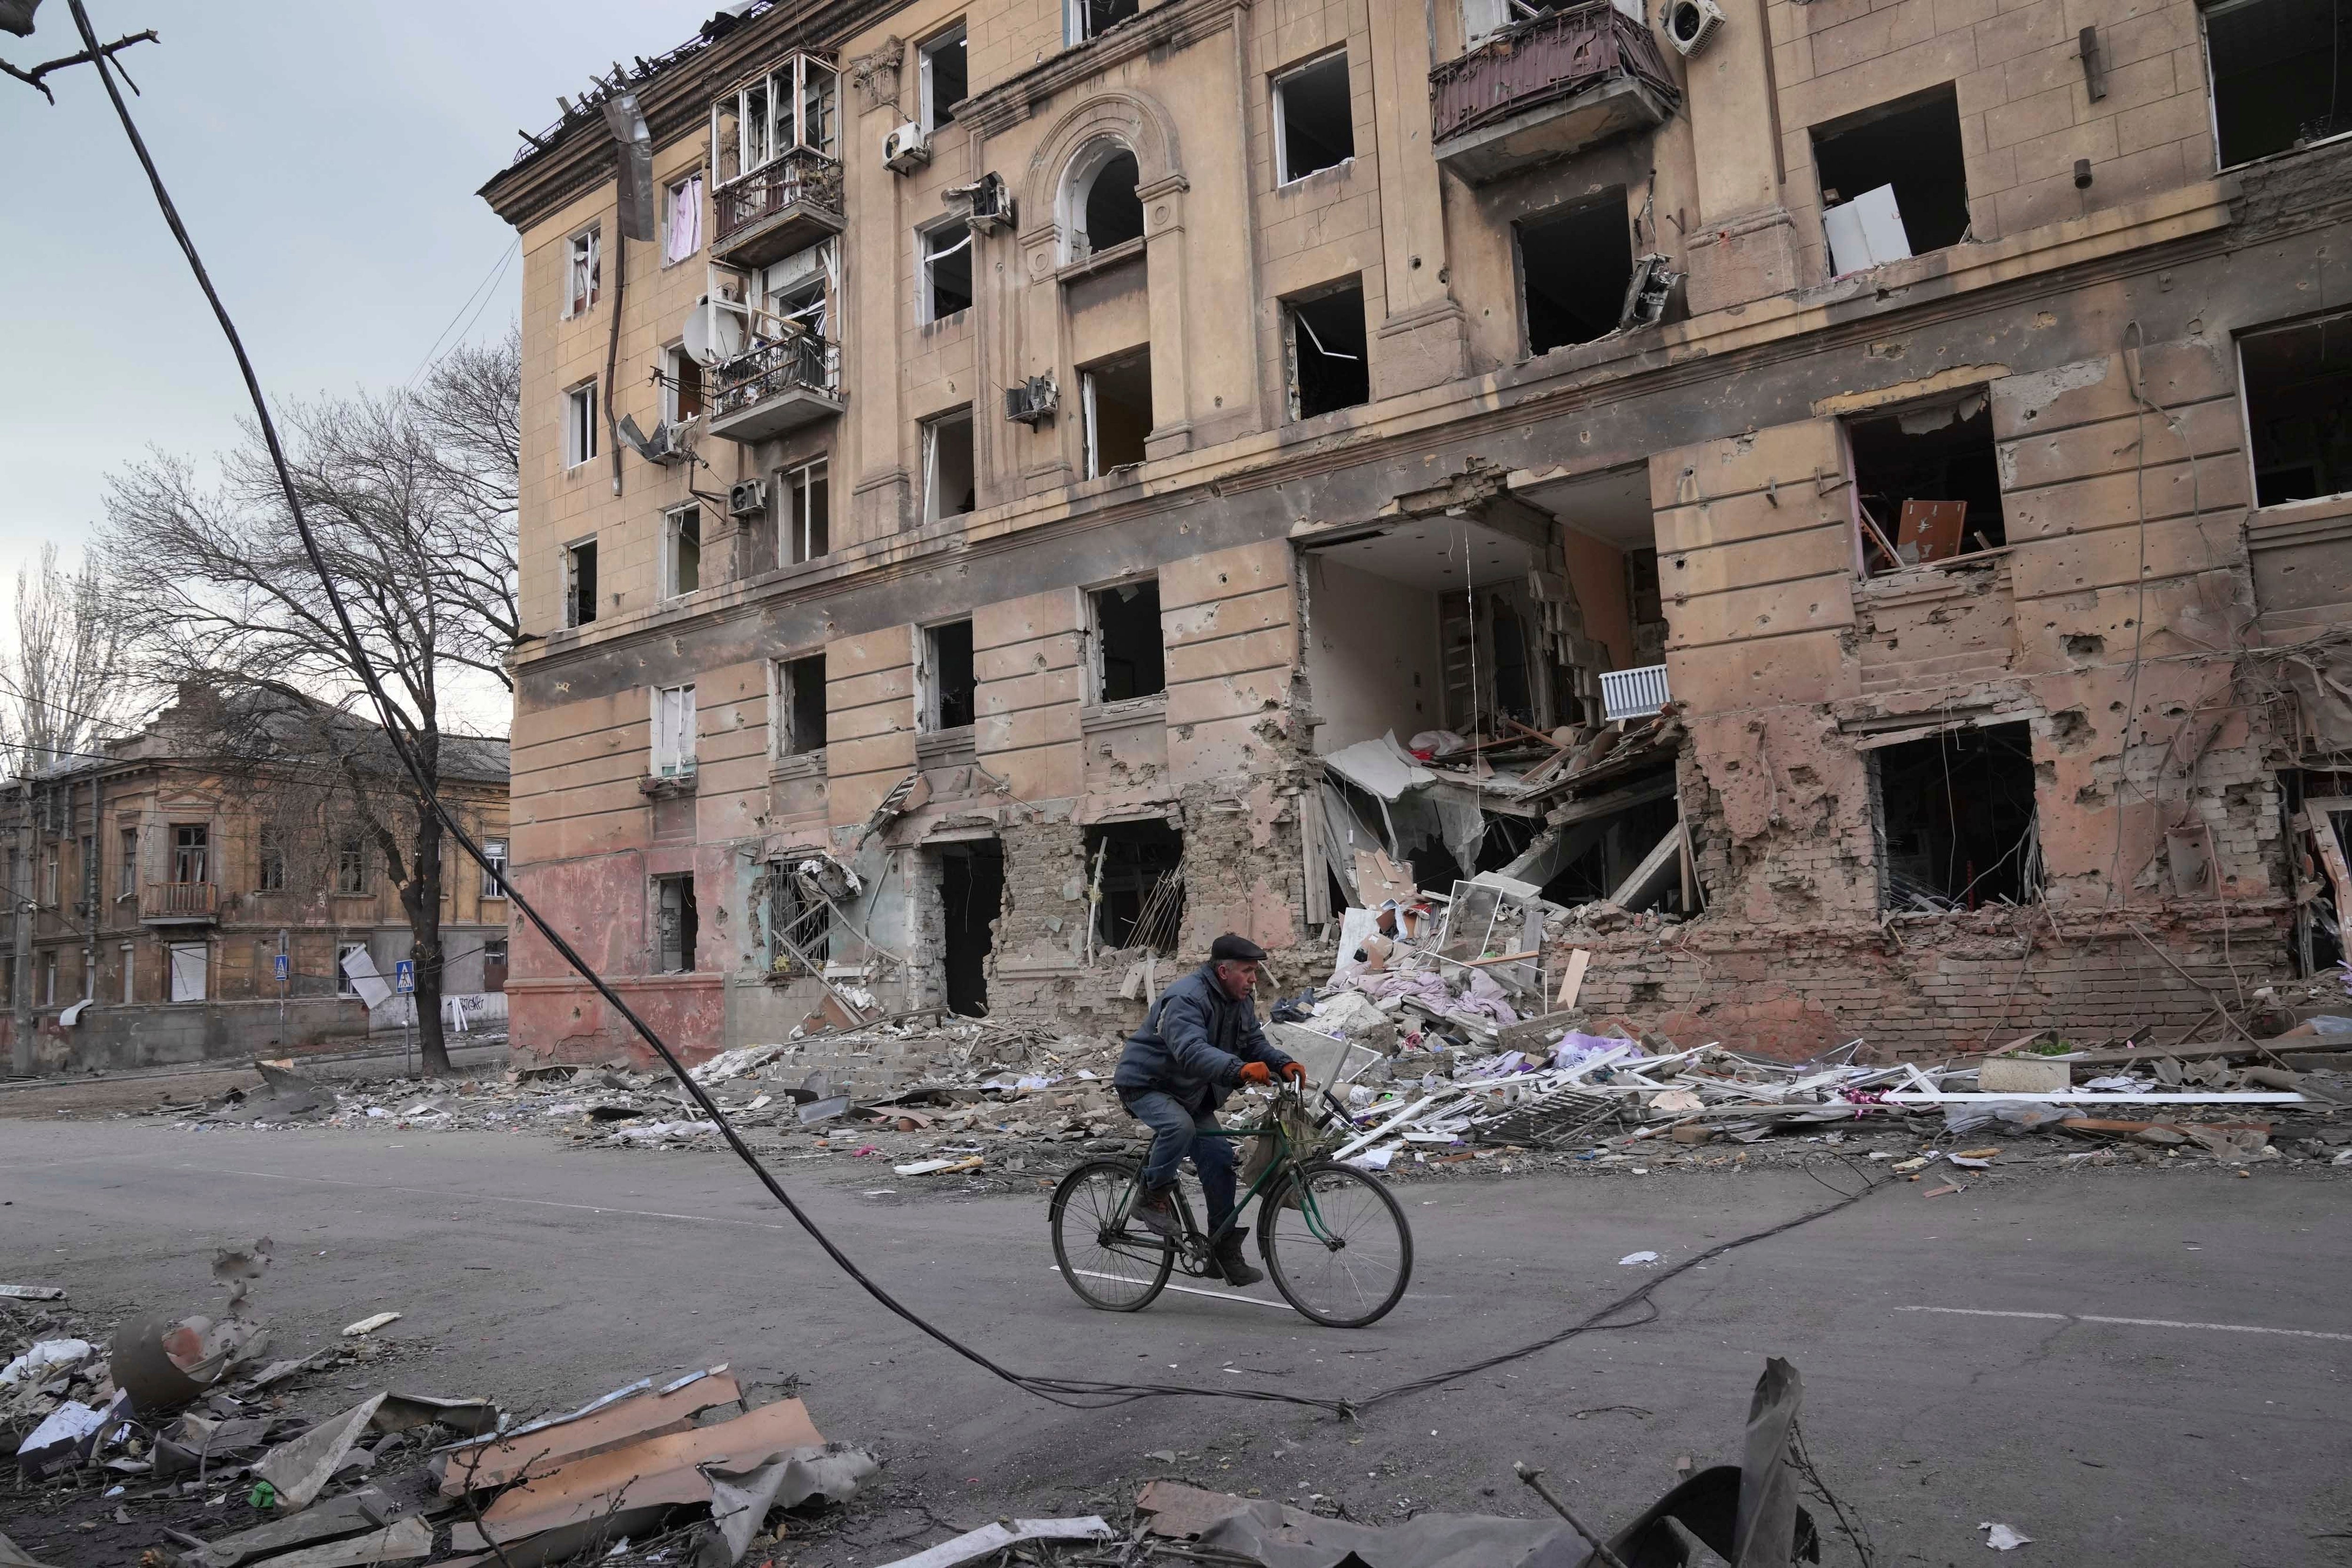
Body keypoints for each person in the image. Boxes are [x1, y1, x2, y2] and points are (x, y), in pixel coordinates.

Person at [1113, 933, 1307, 1287]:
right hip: (1147, 1084)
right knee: (1179, 1128)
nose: (1253, 979)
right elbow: (1190, 1050)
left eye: (1255, 972)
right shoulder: (1186, 998)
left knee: (1220, 1161)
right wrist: (1239, 1069)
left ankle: (1222, 1249)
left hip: (1191, 1093)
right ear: (1222, 971)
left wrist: (1283, 1064)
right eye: (1248, 971)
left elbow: (1253, 1043)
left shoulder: (1240, 999)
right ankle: (1150, 1197)